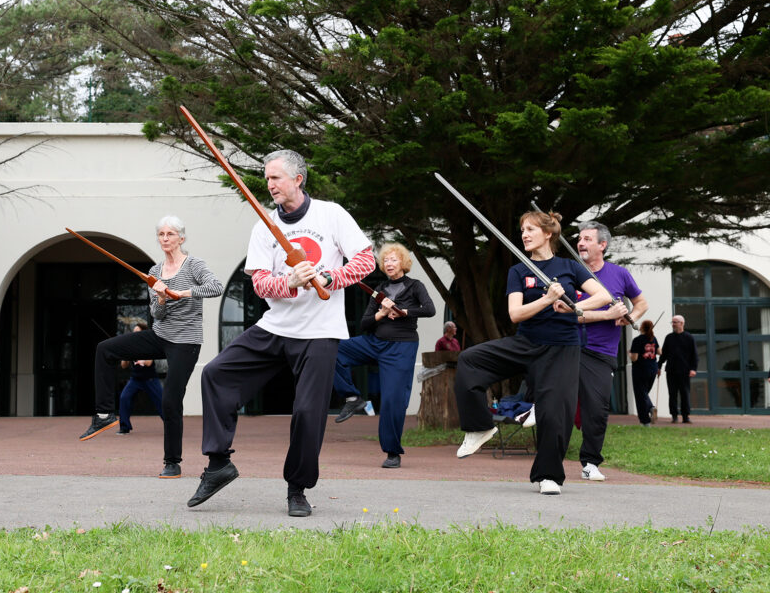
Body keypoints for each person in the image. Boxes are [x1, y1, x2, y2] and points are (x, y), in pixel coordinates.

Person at [188, 149, 375, 517]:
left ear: (297, 180)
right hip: (276, 327)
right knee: (215, 374)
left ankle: (297, 488)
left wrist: (327, 277)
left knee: (307, 411)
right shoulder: (264, 226)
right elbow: (259, 283)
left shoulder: (331, 215)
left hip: (320, 331)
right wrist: (289, 281)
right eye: (267, 178)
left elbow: (365, 260)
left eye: (275, 177)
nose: (269, 184)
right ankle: (219, 463)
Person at [452, 210, 612, 496]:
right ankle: (479, 427)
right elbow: (515, 314)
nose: (524, 234)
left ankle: (548, 476)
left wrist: (574, 307)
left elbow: (603, 296)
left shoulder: (569, 267)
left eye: (530, 229)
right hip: (526, 343)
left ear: (548, 234)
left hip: (562, 348)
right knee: (469, 360)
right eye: (522, 229)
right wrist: (547, 299)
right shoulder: (518, 270)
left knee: (555, 414)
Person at [80, 216, 223, 479]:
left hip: (185, 341)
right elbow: (157, 315)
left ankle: (172, 462)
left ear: (181, 237)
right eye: (161, 234)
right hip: (160, 335)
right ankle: (104, 414)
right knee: (105, 349)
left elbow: (216, 287)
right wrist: (160, 297)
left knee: (170, 400)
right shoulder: (155, 272)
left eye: (171, 234)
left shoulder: (194, 265)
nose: (165, 238)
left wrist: (183, 293)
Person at [332, 243, 436, 468]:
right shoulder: (379, 290)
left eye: (393, 260)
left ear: (403, 263)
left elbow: (430, 309)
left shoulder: (415, 286)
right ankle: (352, 398)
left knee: (392, 400)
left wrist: (404, 312)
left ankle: (392, 452)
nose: (389, 264)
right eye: (386, 261)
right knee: (333, 350)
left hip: (401, 348)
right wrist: (381, 312)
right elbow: (364, 323)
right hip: (374, 342)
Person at [573, 222, 647, 482]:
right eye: (579, 239)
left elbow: (641, 303)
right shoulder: (572, 272)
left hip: (601, 353)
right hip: (569, 347)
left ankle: (590, 463)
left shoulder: (619, 274)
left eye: (587, 239)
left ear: (602, 245)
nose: (580, 243)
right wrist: (607, 314)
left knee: (597, 409)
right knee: (552, 401)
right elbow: (570, 316)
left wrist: (630, 317)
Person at [116, 323, 164, 435]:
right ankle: (124, 427)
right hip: (135, 380)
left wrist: (140, 359)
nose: (135, 334)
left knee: (162, 402)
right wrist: (125, 355)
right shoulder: (131, 346)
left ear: (143, 332)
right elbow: (124, 365)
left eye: (137, 331)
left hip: (150, 379)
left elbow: (149, 362)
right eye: (134, 332)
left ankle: (171, 425)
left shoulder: (148, 345)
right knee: (124, 398)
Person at [658, 315, 698, 423]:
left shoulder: (689, 337)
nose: (673, 324)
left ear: (681, 323)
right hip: (671, 370)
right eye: (672, 322)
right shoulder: (669, 337)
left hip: (685, 371)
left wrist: (693, 368)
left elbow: (694, 355)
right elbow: (664, 354)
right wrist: (659, 365)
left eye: (675, 322)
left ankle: (686, 416)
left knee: (685, 393)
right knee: (672, 394)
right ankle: (674, 416)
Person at [629, 319, 661, 426]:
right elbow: (660, 352)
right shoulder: (653, 339)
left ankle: (645, 420)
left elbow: (634, 358)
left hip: (640, 370)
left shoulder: (637, 340)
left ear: (642, 327)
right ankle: (651, 409)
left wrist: (629, 353)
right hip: (652, 369)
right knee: (644, 394)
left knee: (640, 395)